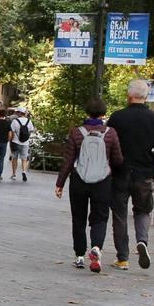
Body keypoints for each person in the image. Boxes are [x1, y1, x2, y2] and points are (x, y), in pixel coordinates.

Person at [55, 97, 124, 272]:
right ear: (103, 113)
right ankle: (96, 248)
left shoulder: (76, 132)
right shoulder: (110, 133)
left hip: (79, 180)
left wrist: (60, 183)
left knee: (78, 218)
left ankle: (79, 256)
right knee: (100, 217)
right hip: (102, 181)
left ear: (87, 112)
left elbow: (68, 160)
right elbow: (117, 160)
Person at [107, 79, 154, 271]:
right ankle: (142, 241)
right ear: (147, 96)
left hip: (120, 171)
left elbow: (108, 144)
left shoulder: (117, 117)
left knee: (119, 214)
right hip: (144, 172)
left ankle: (122, 258)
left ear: (129, 95)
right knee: (142, 210)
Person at [9, 109, 35, 182]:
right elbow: (31, 131)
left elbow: (12, 132)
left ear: (19, 113)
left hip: (15, 142)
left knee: (14, 158)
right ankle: (24, 171)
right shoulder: (29, 121)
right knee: (24, 159)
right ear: (25, 113)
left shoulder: (15, 121)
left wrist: (10, 141)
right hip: (25, 143)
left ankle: (14, 174)